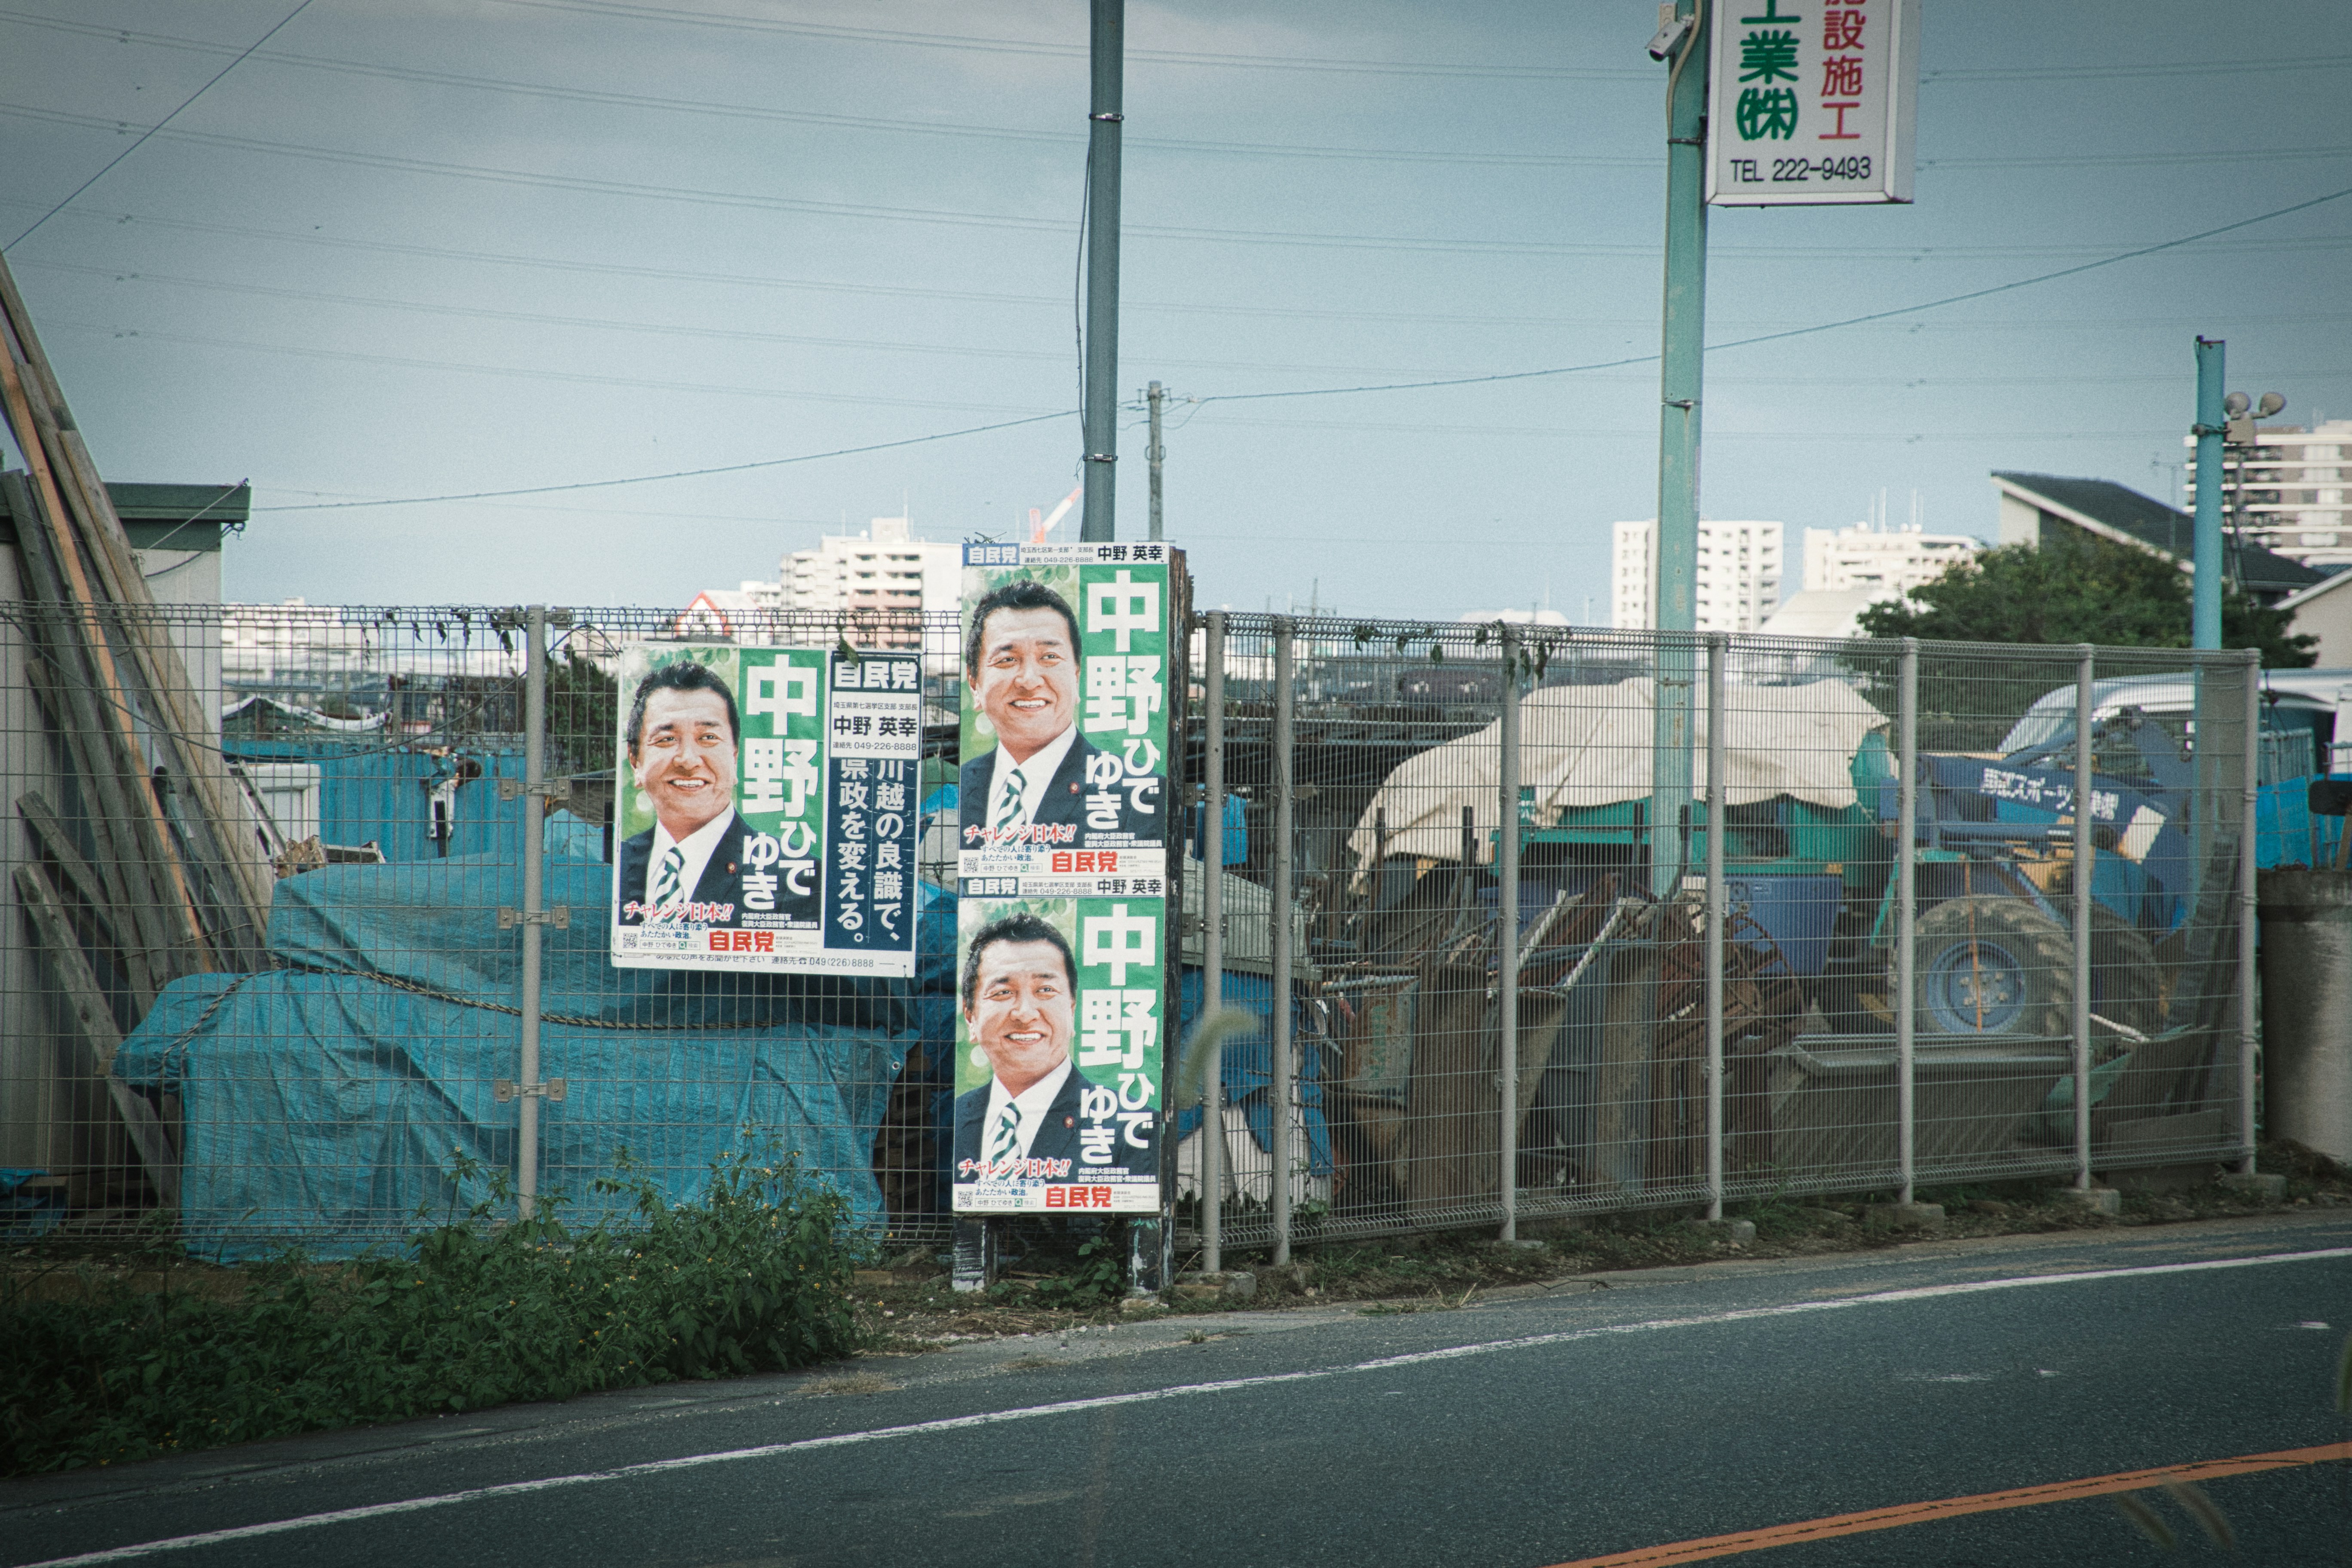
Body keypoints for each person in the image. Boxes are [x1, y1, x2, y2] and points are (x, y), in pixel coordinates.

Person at [952, 911, 1156, 1183]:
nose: (1025, 1013)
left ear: (1072, 1011)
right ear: (971, 1019)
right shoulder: (953, 1119)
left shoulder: (1132, 1125)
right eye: (1003, 992)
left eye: (1045, 990)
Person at [958, 579, 1160, 848]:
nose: (1029, 681)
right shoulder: (962, 784)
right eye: (1007, 660)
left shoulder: (1140, 792)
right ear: (975, 685)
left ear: (1077, 676)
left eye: (1050, 657)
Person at [616, 661, 748, 925]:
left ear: (734, 758)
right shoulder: (616, 865)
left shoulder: (796, 876)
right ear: (636, 763)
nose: (688, 760)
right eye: (666, 739)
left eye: (708, 737)